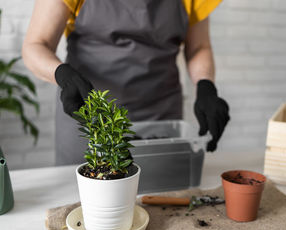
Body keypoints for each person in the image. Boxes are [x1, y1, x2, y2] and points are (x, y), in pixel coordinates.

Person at [22, 0, 230, 166]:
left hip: (160, 117)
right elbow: (36, 45)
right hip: (91, 115)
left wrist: (206, 86)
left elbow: (198, 47)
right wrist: (62, 75)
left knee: (162, 204)